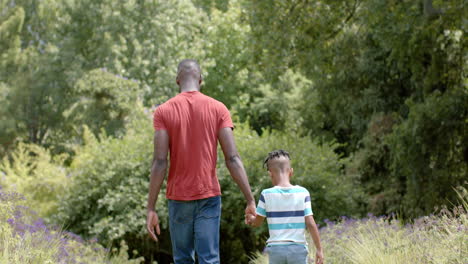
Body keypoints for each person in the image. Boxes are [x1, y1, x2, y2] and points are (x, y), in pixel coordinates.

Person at [146, 59, 256, 264]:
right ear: (201, 79)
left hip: (178, 198)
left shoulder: (163, 111)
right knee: (209, 259)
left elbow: (160, 162)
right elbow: (232, 158)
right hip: (208, 196)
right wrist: (250, 199)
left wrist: (150, 208)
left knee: (183, 259)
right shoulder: (218, 108)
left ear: (177, 80)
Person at [245, 149, 324, 264]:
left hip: (276, 250)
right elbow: (310, 222)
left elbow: (257, 222)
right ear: (291, 172)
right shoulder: (303, 192)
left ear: (270, 173)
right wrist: (319, 249)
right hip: (298, 249)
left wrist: (251, 219)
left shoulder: (266, 194)